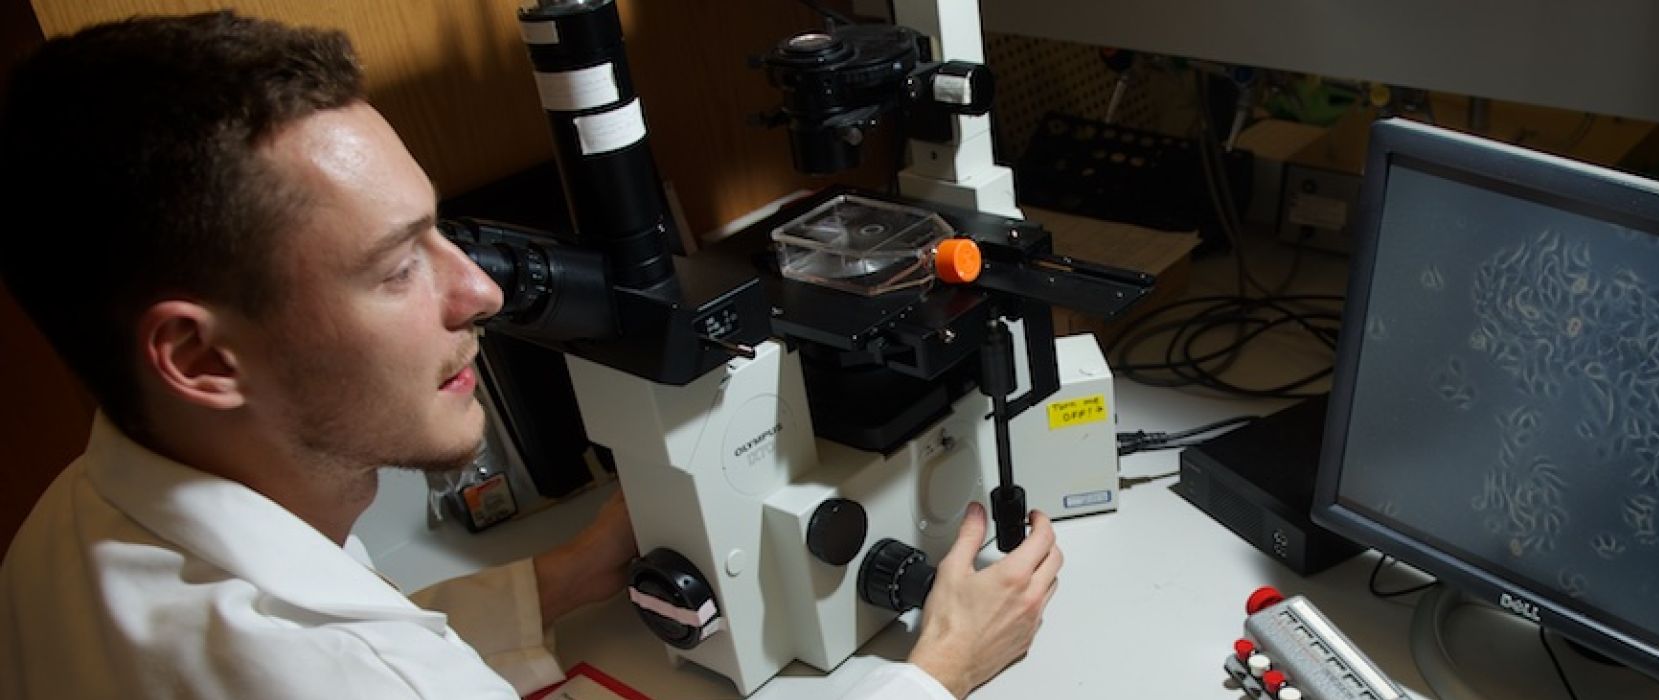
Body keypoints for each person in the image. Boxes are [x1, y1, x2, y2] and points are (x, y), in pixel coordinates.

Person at [0, 12, 1061, 700]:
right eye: (393, 268)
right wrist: (937, 670)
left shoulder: (65, 530)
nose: (483, 292)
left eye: (439, 234)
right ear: (199, 357)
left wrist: (558, 579)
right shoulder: (348, 676)